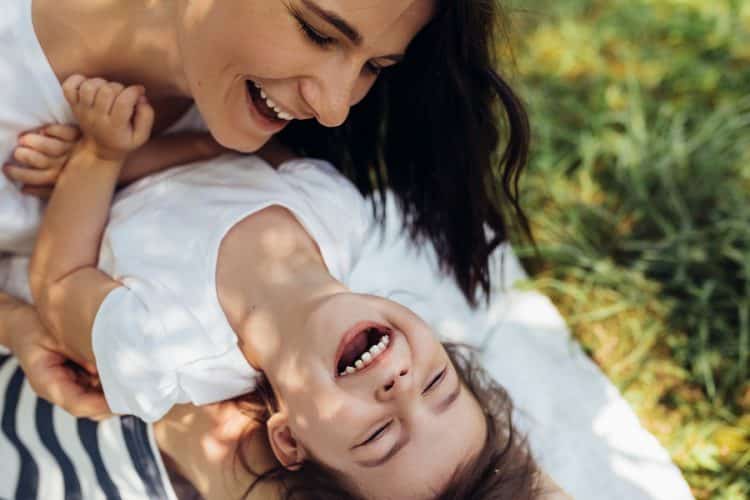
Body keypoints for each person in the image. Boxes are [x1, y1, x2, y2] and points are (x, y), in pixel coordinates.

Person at [7, 76, 570, 500]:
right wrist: (132, 156)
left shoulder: (163, 354)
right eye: (438, 384)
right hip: (116, 129)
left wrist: (97, 159)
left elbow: (59, 280)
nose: (401, 386)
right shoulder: (338, 215)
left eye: (378, 436)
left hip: (29, 206)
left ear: (288, 440)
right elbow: (231, 155)